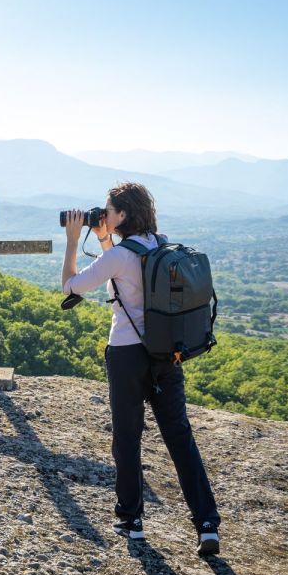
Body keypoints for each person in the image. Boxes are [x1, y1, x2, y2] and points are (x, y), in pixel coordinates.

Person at [61, 182, 221, 555]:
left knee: (128, 439)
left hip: (127, 355)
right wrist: (104, 239)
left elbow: (71, 286)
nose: (103, 215)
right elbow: (131, 275)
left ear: (123, 215)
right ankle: (207, 524)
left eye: (108, 210)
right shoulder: (160, 244)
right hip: (167, 355)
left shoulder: (120, 256)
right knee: (180, 438)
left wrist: (72, 239)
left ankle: (131, 521)